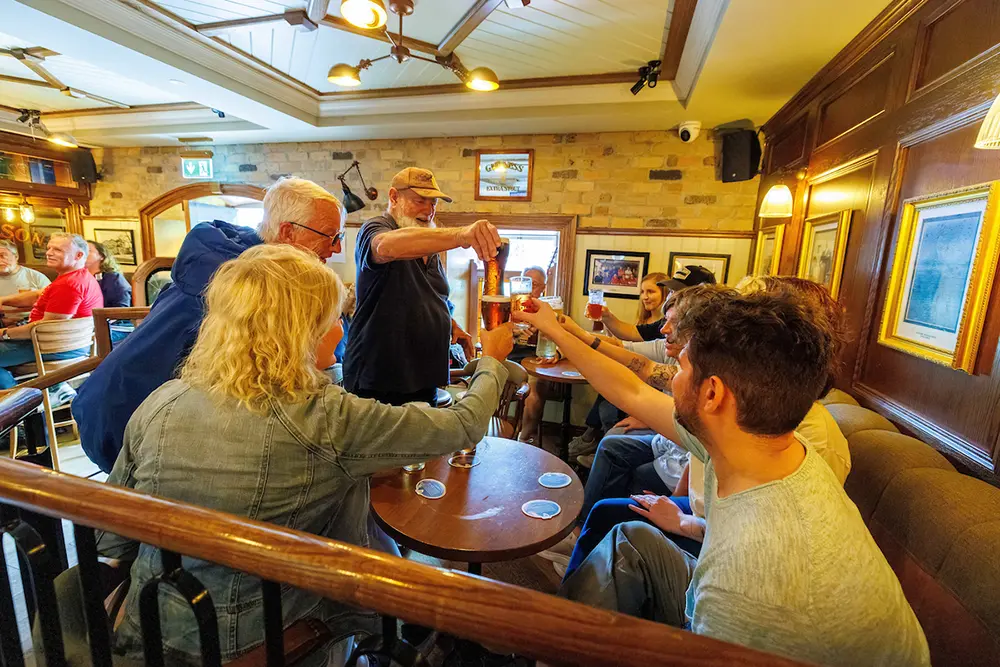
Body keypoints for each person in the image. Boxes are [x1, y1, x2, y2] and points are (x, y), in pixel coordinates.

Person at [95, 244, 515, 664]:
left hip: (148, 631)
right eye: (334, 318)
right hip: (271, 644)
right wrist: (492, 362)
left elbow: (113, 537)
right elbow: (464, 424)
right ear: (302, 330)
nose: (341, 329)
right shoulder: (324, 419)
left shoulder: (163, 400)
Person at [514, 293, 929, 667]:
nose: (669, 377)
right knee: (631, 539)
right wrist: (552, 328)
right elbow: (632, 392)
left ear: (712, 394)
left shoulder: (745, 583)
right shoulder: (763, 440)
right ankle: (550, 648)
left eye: (680, 366)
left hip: (735, 621)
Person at [73, 177, 346, 473]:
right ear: (287, 232)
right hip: (126, 418)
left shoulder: (227, 258)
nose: (336, 248)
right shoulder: (249, 289)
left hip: (119, 407)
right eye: (330, 236)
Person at [344, 167, 500, 405]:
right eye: (420, 201)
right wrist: (462, 235)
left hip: (423, 376)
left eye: (433, 203)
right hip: (380, 378)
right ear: (394, 197)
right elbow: (386, 247)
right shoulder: (375, 228)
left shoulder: (428, 245)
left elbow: (425, 296)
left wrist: (450, 325)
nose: (428, 210)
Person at [597, 265, 716, 342]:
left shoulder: (710, 332)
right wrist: (607, 317)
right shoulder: (667, 322)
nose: (673, 296)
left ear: (702, 297)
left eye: (680, 292)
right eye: (672, 291)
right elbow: (633, 333)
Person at [508, 265, 547, 363]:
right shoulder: (512, 308)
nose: (529, 289)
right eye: (525, 283)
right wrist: (513, 334)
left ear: (543, 288)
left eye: (534, 284)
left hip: (538, 361)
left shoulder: (548, 311)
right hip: (511, 359)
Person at [0, 239, 49, 307]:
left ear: (16, 257)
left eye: (2, 256)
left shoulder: (36, 277)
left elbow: (52, 301)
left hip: (30, 316)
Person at [85, 241, 132, 308]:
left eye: (88, 250)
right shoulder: (77, 277)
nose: (82, 253)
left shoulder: (114, 278)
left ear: (102, 256)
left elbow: (122, 310)